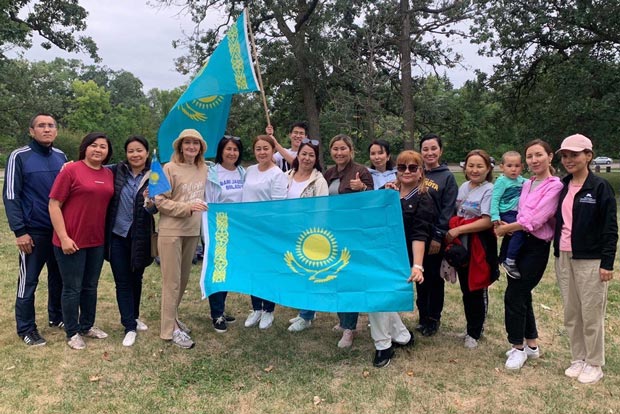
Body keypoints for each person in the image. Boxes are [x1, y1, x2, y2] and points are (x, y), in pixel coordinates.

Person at [554, 134, 617, 384]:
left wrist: (607, 263)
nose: (569, 160)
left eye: (575, 155)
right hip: (564, 256)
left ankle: (594, 363)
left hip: (590, 259)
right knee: (572, 312)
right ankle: (578, 358)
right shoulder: (563, 185)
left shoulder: (600, 187)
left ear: (588, 156)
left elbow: (610, 228)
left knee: (591, 313)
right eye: (565, 156)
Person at [495, 140, 563, 370]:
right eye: (530, 156)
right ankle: (531, 345)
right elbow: (522, 212)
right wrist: (510, 225)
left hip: (536, 246)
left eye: (539, 155)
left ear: (550, 156)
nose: (534, 160)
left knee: (514, 295)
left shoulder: (555, 186)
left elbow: (534, 220)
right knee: (523, 294)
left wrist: (507, 228)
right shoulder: (528, 183)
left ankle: (517, 348)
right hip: (519, 241)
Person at [3, 113, 67, 346]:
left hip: (58, 230)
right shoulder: (19, 156)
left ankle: (57, 316)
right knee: (28, 281)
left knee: (58, 277)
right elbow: (11, 195)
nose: (47, 129)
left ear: (56, 131)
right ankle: (26, 328)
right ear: (31, 131)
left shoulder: (61, 157)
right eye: (41, 126)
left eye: (51, 126)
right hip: (33, 231)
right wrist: (20, 231)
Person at [48, 132, 114, 350]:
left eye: (103, 147)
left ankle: (87, 325)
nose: (98, 150)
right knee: (72, 288)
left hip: (96, 241)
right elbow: (54, 205)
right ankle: (72, 331)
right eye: (93, 145)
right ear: (85, 148)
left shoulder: (108, 173)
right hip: (70, 241)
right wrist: (64, 237)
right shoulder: (70, 170)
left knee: (90, 286)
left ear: (108, 151)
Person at [370, 150, 436, 367]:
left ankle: (383, 346)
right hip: (380, 253)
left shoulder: (424, 198)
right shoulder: (386, 191)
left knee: (378, 297)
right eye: (401, 167)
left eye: (412, 168)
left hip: (402, 258)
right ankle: (402, 335)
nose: (406, 172)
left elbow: (420, 234)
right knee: (379, 296)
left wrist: (417, 265)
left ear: (420, 172)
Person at [155, 129, 208, 349]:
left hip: (192, 231)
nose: (191, 147)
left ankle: (173, 318)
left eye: (196, 144)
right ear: (180, 146)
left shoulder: (204, 169)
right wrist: (187, 207)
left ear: (201, 148)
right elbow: (159, 200)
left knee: (183, 280)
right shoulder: (167, 168)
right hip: (170, 232)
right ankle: (169, 331)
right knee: (172, 281)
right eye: (187, 143)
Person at [323, 134, 374, 348]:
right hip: (332, 234)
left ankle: (350, 328)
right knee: (336, 276)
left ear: (351, 150)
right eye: (335, 149)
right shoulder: (329, 173)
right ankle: (343, 320)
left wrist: (362, 188)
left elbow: (374, 200)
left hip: (353, 234)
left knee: (349, 278)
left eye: (343, 148)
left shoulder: (361, 171)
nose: (339, 152)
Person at [445, 149, 499, 349]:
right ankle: (470, 327)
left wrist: (458, 229)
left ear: (488, 169)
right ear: (465, 168)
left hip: (479, 244)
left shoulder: (490, 190)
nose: (474, 170)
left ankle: (476, 331)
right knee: (466, 288)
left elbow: (486, 221)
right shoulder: (465, 186)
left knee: (477, 287)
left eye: (479, 166)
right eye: (471, 166)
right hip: (462, 244)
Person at [105, 136, 155, 347]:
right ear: (126, 154)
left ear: (146, 152)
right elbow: (90, 167)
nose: (135, 154)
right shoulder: (116, 171)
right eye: (131, 151)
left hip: (140, 236)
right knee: (123, 281)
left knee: (137, 278)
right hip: (117, 235)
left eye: (139, 150)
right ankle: (129, 326)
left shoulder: (155, 175)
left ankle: (133, 316)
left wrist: (150, 202)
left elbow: (156, 209)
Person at [242, 135, 288, 329]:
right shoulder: (249, 170)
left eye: (266, 148)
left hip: (267, 230)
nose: (262, 152)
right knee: (253, 270)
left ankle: (269, 310)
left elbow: (278, 205)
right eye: (258, 149)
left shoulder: (278, 174)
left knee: (268, 270)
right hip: (248, 230)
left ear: (272, 151)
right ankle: (256, 309)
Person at [285, 138, 329, 332]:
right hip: (287, 232)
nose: (307, 158)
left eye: (312, 155)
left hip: (308, 235)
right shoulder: (286, 176)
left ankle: (307, 316)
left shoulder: (319, 181)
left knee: (308, 274)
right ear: (298, 155)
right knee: (295, 273)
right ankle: (303, 310)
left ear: (316, 158)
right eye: (304, 153)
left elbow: (322, 210)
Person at [417, 133, 458, 337]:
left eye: (433, 148)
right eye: (425, 149)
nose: (429, 152)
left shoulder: (447, 177)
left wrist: (438, 236)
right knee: (419, 277)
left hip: (434, 237)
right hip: (416, 236)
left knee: (434, 278)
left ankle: (433, 319)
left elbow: (448, 209)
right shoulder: (416, 173)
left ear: (440, 151)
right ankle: (422, 316)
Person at [204, 135, 245, 333]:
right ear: (221, 151)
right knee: (217, 269)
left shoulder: (243, 172)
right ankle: (216, 314)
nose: (232, 153)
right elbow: (209, 201)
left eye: (235, 150)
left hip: (238, 228)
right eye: (228, 149)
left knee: (227, 270)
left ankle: (221, 308)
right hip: (218, 226)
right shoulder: (212, 173)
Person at [491, 151, 526, 279]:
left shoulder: (523, 181)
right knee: (518, 232)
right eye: (509, 166)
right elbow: (495, 199)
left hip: (517, 212)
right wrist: (495, 217)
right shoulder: (501, 181)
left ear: (522, 167)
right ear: (502, 167)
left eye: (517, 166)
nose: (513, 169)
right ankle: (510, 260)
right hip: (506, 212)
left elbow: (536, 182)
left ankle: (502, 257)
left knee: (510, 236)